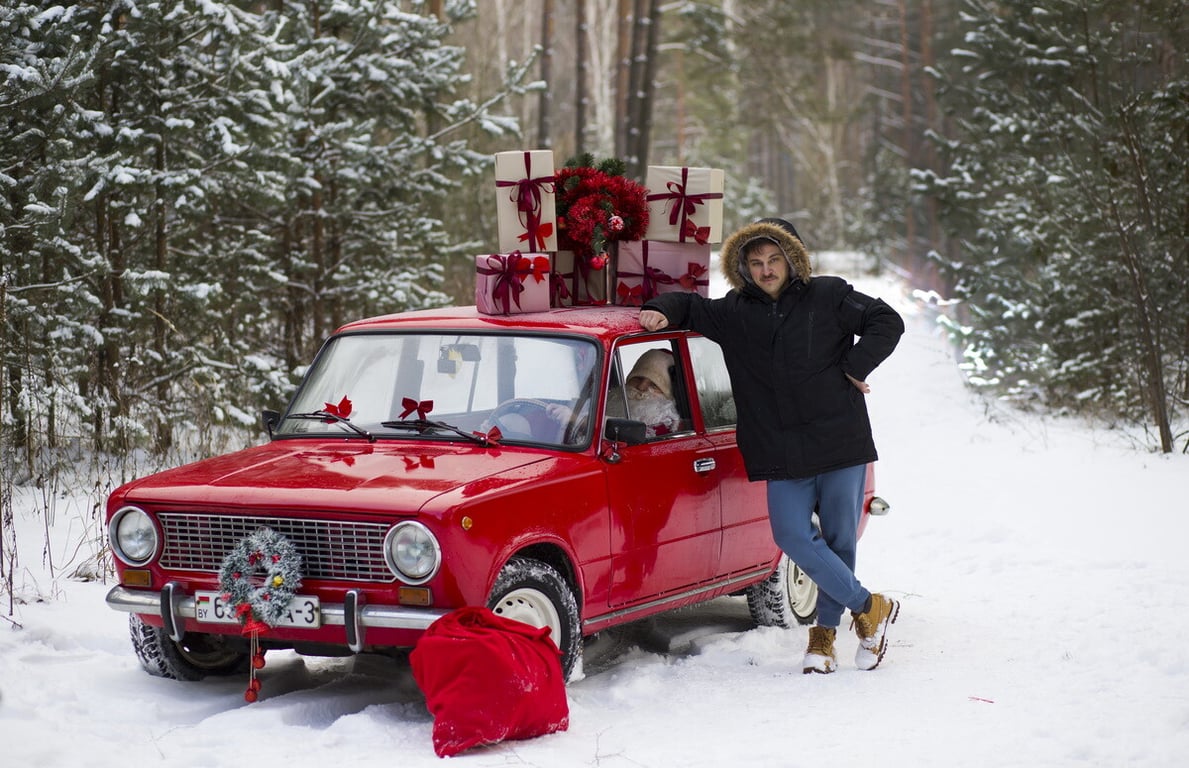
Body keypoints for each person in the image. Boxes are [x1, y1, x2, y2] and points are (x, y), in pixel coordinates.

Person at [638, 217, 905, 674]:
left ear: (792, 260)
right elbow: (686, 305)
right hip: (779, 448)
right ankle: (869, 606)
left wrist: (855, 366)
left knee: (840, 541)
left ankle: (822, 639)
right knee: (791, 535)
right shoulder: (734, 312)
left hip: (839, 438)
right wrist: (659, 308)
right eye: (756, 262)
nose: (766, 270)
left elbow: (887, 321)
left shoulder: (830, 295)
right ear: (743, 267)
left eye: (775, 259)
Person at [606, 348, 682, 438]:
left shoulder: (666, 424)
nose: (641, 387)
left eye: (654, 385)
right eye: (638, 378)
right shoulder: (609, 400)